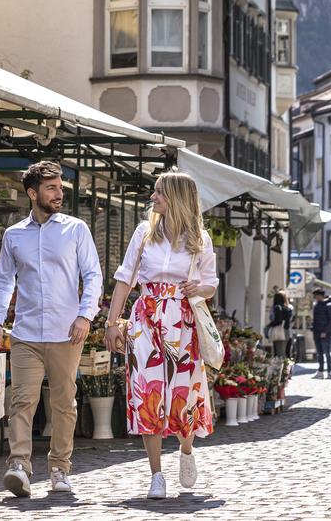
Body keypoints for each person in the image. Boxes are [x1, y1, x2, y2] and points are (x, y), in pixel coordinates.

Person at [0, 161, 102, 498]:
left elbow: (93, 275)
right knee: (22, 401)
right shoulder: (14, 235)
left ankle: (59, 469)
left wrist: (86, 316)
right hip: (25, 333)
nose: (59, 193)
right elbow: (3, 279)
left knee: (64, 403)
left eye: (60, 187)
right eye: (51, 188)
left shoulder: (76, 229)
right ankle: (19, 466)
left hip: (66, 332)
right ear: (32, 192)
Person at [104, 171, 218, 500]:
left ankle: (185, 448)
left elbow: (211, 283)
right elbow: (125, 279)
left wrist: (200, 287)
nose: (153, 198)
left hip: (183, 321)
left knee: (184, 394)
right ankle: (156, 475)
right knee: (147, 391)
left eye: (159, 192)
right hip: (146, 319)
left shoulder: (200, 238)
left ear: (177, 198)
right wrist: (113, 322)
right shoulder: (144, 232)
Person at [311, 288, 331, 379]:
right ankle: (320, 371)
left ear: (320, 295)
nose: (314, 297)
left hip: (325, 334)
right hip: (316, 332)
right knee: (319, 353)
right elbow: (315, 319)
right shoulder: (317, 305)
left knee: (326, 353)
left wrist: (325, 332)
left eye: (315, 295)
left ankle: (329, 372)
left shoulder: (328, 305)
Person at [265, 292, 292, 357]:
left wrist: (269, 326)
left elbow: (278, 321)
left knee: (279, 353)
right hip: (286, 331)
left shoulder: (277, 308)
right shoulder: (287, 308)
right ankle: (286, 366)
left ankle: (280, 366)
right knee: (284, 352)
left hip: (279, 332)